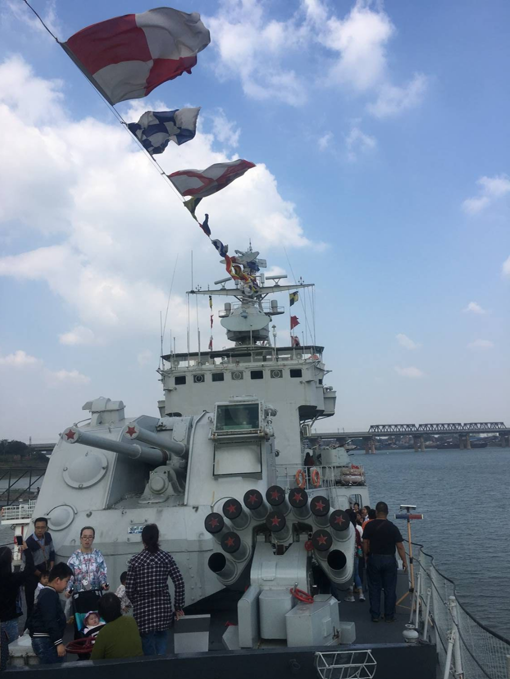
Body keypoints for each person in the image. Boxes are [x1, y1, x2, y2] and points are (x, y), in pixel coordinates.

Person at [125, 524, 185, 656]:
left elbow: (129, 589)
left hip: (143, 612)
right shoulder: (166, 558)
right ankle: (161, 664)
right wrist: (178, 606)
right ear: (158, 538)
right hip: (163, 609)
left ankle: (151, 665)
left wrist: (137, 602)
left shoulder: (135, 561)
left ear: (143, 540)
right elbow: (179, 582)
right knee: (161, 638)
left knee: (146, 643)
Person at [363, 501, 408, 623]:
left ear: (376, 512)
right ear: (387, 513)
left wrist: (366, 555)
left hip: (374, 559)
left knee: (374, 588)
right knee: (390, 588)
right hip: (389, 560)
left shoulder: (369, 526)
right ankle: (389, 615)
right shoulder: (393, 527)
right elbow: (400, 546)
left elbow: (365, 542)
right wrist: (404, 561)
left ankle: (375, 615)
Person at [27, 562, 73, 664]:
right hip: (45, 640)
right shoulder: (49, 595)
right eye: (66, 581)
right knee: (55, 668)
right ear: (57, 580)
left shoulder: (48, 593)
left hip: (46, 639)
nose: (66, 585)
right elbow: (50, 620)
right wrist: (58, 643)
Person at [0, 543, 35, 671]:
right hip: (10, 621)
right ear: (9, 561)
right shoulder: (13, 578)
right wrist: (26, 549)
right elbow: (30, 569)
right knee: (11, 652)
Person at [90, 593, 143, 660]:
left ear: (101, 613)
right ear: (119, 607)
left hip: (117, 666)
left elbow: (94, 659)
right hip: (139, 664)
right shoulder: (132, 620)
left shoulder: (104, 632)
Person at [24, 517, 55, 621]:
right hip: (33, 576)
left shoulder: (48, 536)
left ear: (46, 528)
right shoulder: (29, 542)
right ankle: (29, 626)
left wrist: (51, 566)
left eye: (42, 527)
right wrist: (41, 576)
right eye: (38, 527)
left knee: (45, 601)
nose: (40, 530)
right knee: (32, 604)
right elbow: (28, 565)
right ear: (34, 527)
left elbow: (52, 551)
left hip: (45, 573)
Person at [65, 526, 108, 595]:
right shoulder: (74, 557)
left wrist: (104, 584)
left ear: (93, 538)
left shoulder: (98, 555)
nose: (87, 540)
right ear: (80, 538)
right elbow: (69, 576)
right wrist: (68, 590)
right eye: (84, 537)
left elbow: (102, 572)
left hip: (95, 593)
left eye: (90, 537)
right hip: (79, 595)